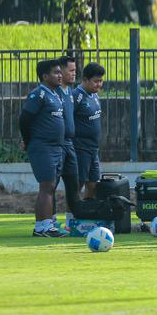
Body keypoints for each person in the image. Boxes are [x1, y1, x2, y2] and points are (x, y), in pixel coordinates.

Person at [18, 59, 68, 237]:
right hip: (42, 146)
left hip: (56, 147)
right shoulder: (39, 94)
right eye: (56, 73)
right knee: (46, 186)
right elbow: (24, 118)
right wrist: (28, 140)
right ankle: (44, 227)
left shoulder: (56, 94)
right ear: (45, 76)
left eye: (60, 72)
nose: (60, 75)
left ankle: (43, 225)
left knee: (51, 187)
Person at [72, 62, 105, 199]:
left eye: (101, 81)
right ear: (85, 79)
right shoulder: (76, 96)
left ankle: (86, 216)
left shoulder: (95, 96)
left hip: (93, 149)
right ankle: (71, 218)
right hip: (80, 148)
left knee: (93, 185)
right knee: (77, 186)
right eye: (95, 81)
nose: (99, 84)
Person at [55, 55, 80, 231]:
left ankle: (71, 222)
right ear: (60, 72)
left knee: (73, 184)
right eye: (70, 71)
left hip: (69, 144)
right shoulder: (53, 93)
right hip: (55, 145)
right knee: (50, 186)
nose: (73, 74)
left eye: (75, 71)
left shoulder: (70, 92)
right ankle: (48, 222)